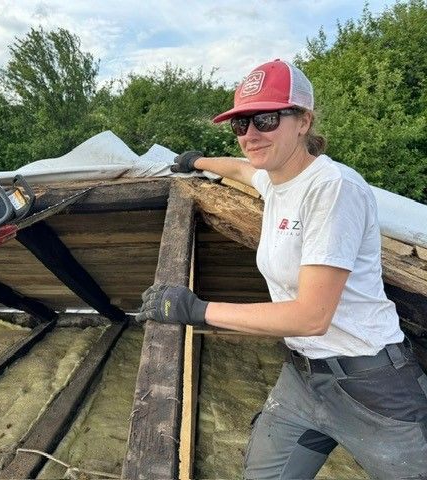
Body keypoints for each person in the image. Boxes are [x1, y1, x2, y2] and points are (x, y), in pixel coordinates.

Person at [137, 59, 427, 479]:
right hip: (305, 378)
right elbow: (242, 169)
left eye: (266, 119)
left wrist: (196, 310)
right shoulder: (274, 179)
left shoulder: (332, 188)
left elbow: (311, 317)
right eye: (241, 124)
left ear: (303, 121)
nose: (250, 135)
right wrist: (198, 162)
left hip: (372, 386)